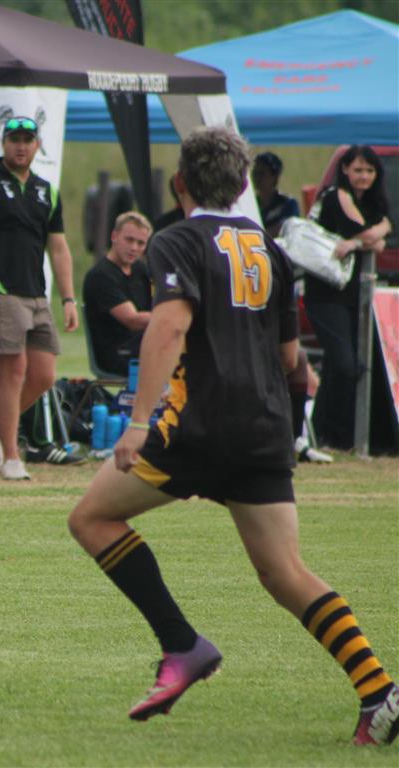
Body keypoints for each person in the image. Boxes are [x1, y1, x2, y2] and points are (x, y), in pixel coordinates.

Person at [67, 126, 398, 744]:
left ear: (180, 183)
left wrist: (137, 424)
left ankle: (181, 645)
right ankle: (377, 688)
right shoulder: (269, 248)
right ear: (244, 183)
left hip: (200, 425)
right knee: (284, 572)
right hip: (265, 427)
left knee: (91, 519)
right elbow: (292, 358)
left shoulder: (177, 240)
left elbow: (168, 329)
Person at [0, 116, 80, 480]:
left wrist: (68, 299)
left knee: (44, 376)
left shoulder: (46, 191)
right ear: (3, 143)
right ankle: (11, 456)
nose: (21, 146)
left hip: (36, 294)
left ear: (37, 145)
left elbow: (59, 249)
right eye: (14, 139)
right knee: (14, 371)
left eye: (27, 139)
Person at [304, 145, 392, 451]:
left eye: (369, 171)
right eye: (357, 170)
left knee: (340, 365)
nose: (363, 176)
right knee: (345, 364)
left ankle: (325, 435)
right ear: (344, 170)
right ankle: (337, 434)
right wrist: (374, 233)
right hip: (326, 294)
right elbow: (370, 235)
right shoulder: (336, 196)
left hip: (355, 295)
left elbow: (378, 238)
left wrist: (355, 243)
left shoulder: (372, 202)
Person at [82, 211, 153, 377]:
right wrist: (173, 319)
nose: (134, 248)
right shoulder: (100, 276)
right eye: (129, 240)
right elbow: (132, 320)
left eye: (141, 243)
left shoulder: (140, 270)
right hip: (117, 354)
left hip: (141, 344)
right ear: (114, 236)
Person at [251, 152, 299, 238]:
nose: (257, 177)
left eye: (261, 173)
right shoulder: (252, 204)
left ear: (274, 177)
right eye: (255, 172)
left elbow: (286, 229)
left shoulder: (288, 204)